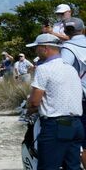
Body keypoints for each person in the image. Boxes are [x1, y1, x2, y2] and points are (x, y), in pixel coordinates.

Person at [25, 34, 84, 169]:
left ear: (45, 48)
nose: (35, 51)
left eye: (37, 48)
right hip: (76, 124)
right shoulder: (71, 69)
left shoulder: (44, 69)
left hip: (56, 125)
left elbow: (34, 102)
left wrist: (27, 112)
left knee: (48, 166)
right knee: (72, 166)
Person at [59, 18, 86, 168]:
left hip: (80, 99)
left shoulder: (68, 48)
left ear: (65, 31)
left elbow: (63, 73)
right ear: (82, 29)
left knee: (80, 143)